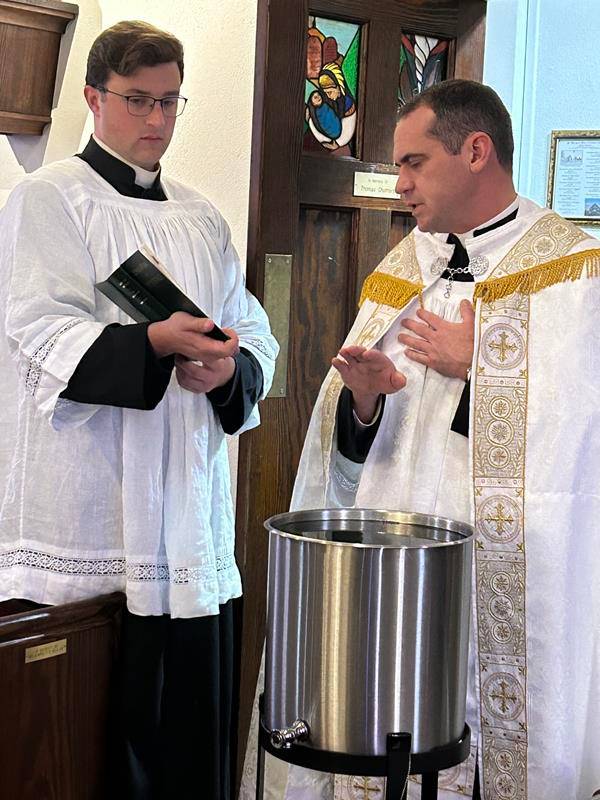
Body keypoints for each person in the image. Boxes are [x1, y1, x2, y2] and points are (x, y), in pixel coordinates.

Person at [284, 79, 600, 800]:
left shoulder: (575, 273)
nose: (399, 185)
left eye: (414, 162)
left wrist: (480, 367)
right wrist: (362, 404)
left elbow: (585, 437)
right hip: (399, 570)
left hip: (510, 569)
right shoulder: (402, 270)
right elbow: (357, 452)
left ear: (477, 152)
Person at [0, 20, 277, 800]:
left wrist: (228, 367)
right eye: (136, 100)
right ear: (92, 98)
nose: (156, 120)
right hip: (98, 521)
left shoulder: (199, 215)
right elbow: (35, 334)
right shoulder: (49, 199)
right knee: (86, 752)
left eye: (169, 102)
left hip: (189, 519)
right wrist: (151, 342)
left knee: (192, 746)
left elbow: (252, 327)